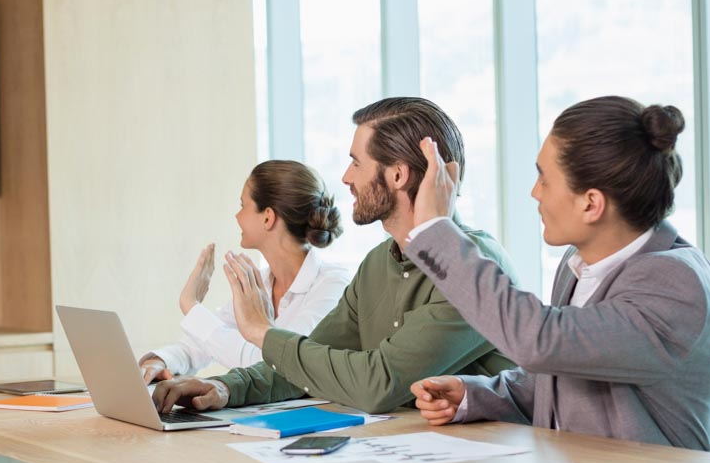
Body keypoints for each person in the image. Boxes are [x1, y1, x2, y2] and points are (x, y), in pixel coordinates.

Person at [152, 97, 518, 416]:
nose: (345, 177)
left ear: (397, 175)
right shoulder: (377, 264)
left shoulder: (476, 268)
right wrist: (229, 388)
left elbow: (379, 383)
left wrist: (261, 331)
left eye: (356, 163)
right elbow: (312, 358)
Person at [406, 95, 710, 450]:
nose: (534, 192)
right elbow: (564, 374)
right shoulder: (578, 264)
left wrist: (437, 231)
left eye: (544, 178)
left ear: (591, 203)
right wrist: (473, 395)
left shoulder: (675, 282)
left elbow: (541, 342)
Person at [139, 160, 352, 383]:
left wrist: (190, 305)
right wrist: (161, 361)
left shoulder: (333, 287)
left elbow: (271, 365)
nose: (237, 216)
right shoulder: (260, 281)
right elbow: (202, 344)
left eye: (243, 205)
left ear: (268, 217)